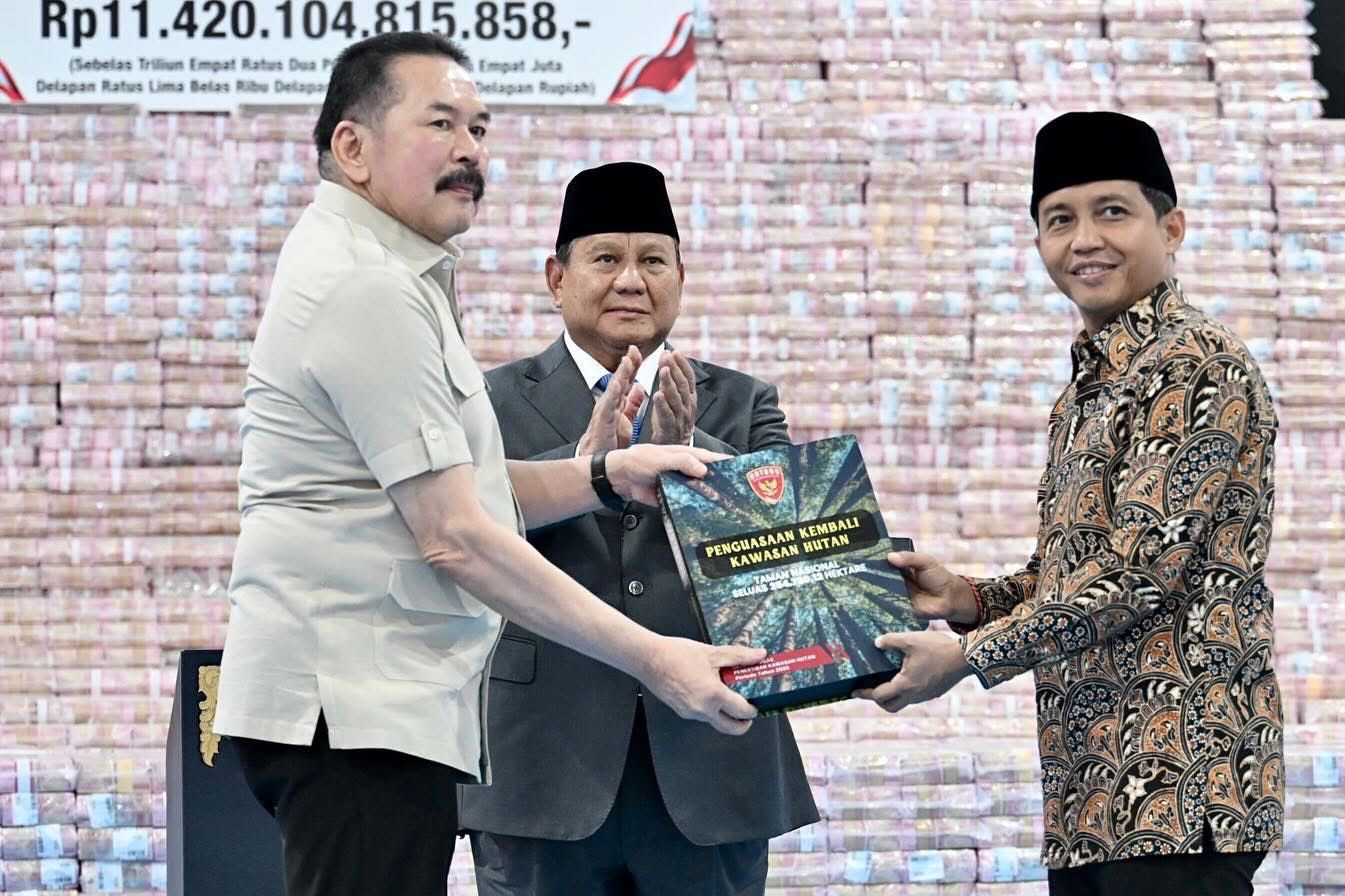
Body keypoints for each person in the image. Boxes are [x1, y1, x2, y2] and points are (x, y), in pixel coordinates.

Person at [211, 34, 765, 896]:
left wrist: (603, 474)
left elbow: (460, 489)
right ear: (352, 147)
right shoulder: (367, 286)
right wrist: (656, 659)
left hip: (385, 711)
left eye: (479, 127)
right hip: (357, 710)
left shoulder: (393, 276)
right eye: (440, 124)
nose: (469, 150)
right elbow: (456, 535)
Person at [858, 111, 1283, 896]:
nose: (1084, 239)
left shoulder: (1193, 364)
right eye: (1059, 219)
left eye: (1110, 211)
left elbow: (1137, 577)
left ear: (1171, 227)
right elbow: (1076, 573)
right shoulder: (1092, 384)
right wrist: (966, 599)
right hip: (1093, 796)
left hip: (1179, 790)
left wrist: (965, 658)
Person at [459, 161, 819, 896]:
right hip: (539, 763)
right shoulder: (487, 400)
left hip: (710, 764)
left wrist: (693, 457)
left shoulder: (743, 402)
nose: (631, 280)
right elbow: (464, 533)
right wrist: (586, 465)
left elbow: (786, 575)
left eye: (653, 261)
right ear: (556, 278)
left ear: (680, 278)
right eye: (606, 259)